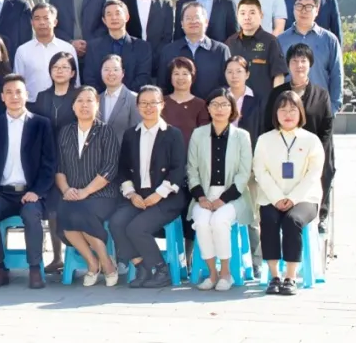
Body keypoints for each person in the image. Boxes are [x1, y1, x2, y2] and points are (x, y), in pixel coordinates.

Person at [0, 74, 56, 289]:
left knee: (31, 215)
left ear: (27, 95)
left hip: (30, 192)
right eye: (9, 92)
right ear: (2, 97)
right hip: (2, 192)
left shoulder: (41, 124)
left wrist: (37, 192)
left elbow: (49, 164)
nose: (14, 96)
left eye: (19, 92)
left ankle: (34, 268)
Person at [109, 86, 188, 288]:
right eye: (143, 103)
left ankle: (162, 270)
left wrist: (158, 194)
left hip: (167, 197)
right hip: (138, 196)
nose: (148, 107)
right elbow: (123, 169)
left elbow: (178, 169)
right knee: (116, 223)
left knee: (137, 228)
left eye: (153, 102)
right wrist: (131, 193)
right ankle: (142, 266)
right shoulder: (130, 135)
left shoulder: (173, 134)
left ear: (162, 105)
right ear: (137, 107)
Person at [253, 91, 326, 296]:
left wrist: (292, 198)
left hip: (304, 198)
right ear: (275, 113)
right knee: (269, 219)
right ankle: (275, 276)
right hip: (272, 197)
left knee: (292, 221)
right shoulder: (264, 140)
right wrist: (277, 198)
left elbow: (314, 174)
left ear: (300, 112)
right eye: (282, 110)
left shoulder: (311, 140)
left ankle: (290, 276)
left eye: (293, 110)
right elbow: (260, 171)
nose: (288, 114)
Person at [264, 43, 336, 233]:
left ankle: (320, 216)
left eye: (303, 61)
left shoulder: (321, 94)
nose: (299, 65)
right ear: (288, 65)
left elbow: (326, 127)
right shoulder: (277, 93)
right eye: (294, 61)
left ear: (310, 64)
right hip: (283, 151)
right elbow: (268, 124)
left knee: (324, 169)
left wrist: (315, 152)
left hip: (312, 152)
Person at [186, 88, 253, 291]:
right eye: (214, 104)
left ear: (232, 108)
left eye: (224, 104)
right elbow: (192, 169)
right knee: (202, 222)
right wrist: (201, 197)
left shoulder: (242, 136)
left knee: (219, 221)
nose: (219, 109)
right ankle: (212, 274)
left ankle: (226, 273)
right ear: (208, 108)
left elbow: (243, 174)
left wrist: (223, 199)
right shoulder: (198, 134)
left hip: (232, 196)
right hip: (204, 194)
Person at [56, 87, 121, 287]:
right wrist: (66, 190)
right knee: (63, 212)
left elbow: (110, 168)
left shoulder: (106, 131)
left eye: (89, 101)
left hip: (102, 194)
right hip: (73, 193)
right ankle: (93, 262)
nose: (84, 105)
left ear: (97, 105)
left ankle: (104, 262)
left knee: (79, 212)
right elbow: (59, 168)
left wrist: (86, 191)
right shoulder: (65, 132)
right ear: (73, 106)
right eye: (80, 101)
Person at [278, 0, 344, 113]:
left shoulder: (329, 40)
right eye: (299, 6)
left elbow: (337, 75)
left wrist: (333, 108)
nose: (303, 11)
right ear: (293, 8)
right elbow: (277, 76)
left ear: (317, 10)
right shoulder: (280, 41)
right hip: (288, 111)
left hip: (320, 109)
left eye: (309, 7)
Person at [158, 2, 231, 99]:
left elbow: (227, 85)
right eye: (188, 18)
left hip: (211, 106)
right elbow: (162, 87)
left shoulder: (221, 50)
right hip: (177, 106)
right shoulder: (169, 51)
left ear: (206, 22)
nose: (193, 21)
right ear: (182, 24)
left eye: (197, 17)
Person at [13, 3, 79, 102]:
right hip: (32, 104)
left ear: (55, 22)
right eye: (37, 19)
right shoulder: (23, 51)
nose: (42, 22)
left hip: (63, 103)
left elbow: (76, 82)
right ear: (32, 22)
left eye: (46, 18)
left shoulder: (67, 49)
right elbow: (18, 83)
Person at [225, 0, 286, 102]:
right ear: (237, 16)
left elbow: (279, 75)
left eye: (252, 13)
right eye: (242, 13)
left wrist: (275, 101)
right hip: (235, 104)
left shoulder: (271, 41)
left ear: (261, 15)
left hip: (262, 104)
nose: (247, 17)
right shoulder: (230, 42)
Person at [82, 0, 152, 92]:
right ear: (104, 20)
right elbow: (89, 78)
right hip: (101, 98)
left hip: (132, 98)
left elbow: (143, 78)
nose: (114, 17)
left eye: (118, 13)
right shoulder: (93, 47)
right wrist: (104, 96)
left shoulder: (142, 47)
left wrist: (124, 96)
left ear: (127, 17)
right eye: (109, 14)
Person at [121, 0, 174, 70]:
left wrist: (155, 57)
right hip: (129, 61)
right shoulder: (123, 4)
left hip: (157, 63)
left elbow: (167, 36)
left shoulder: (165, 4)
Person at [28, 52, 80, 134]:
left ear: (72, 73)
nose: (59, 71)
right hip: (47, 141)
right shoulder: (42, 96)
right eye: (55, 67)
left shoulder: (79, 96)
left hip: (71, 140)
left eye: (64, 67)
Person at [162, 58, 210, 146]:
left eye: (185, 73)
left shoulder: (200, 104)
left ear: (192, 76)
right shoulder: (161, 102)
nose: (180, 78)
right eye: (176, 73)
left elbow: (204, 134)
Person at [97, 55, 142, 146]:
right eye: (106, 69)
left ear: (123, 73)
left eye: (115, 69)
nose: (111, 73)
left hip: (123, 152)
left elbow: (137, 133)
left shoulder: (134, 99)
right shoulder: (96, 99)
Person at [224, 56, 261, 143]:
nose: (234, 76)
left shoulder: (258, 100)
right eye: (230, 72)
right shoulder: (220, 98)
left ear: (247, 74)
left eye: (239, 71)